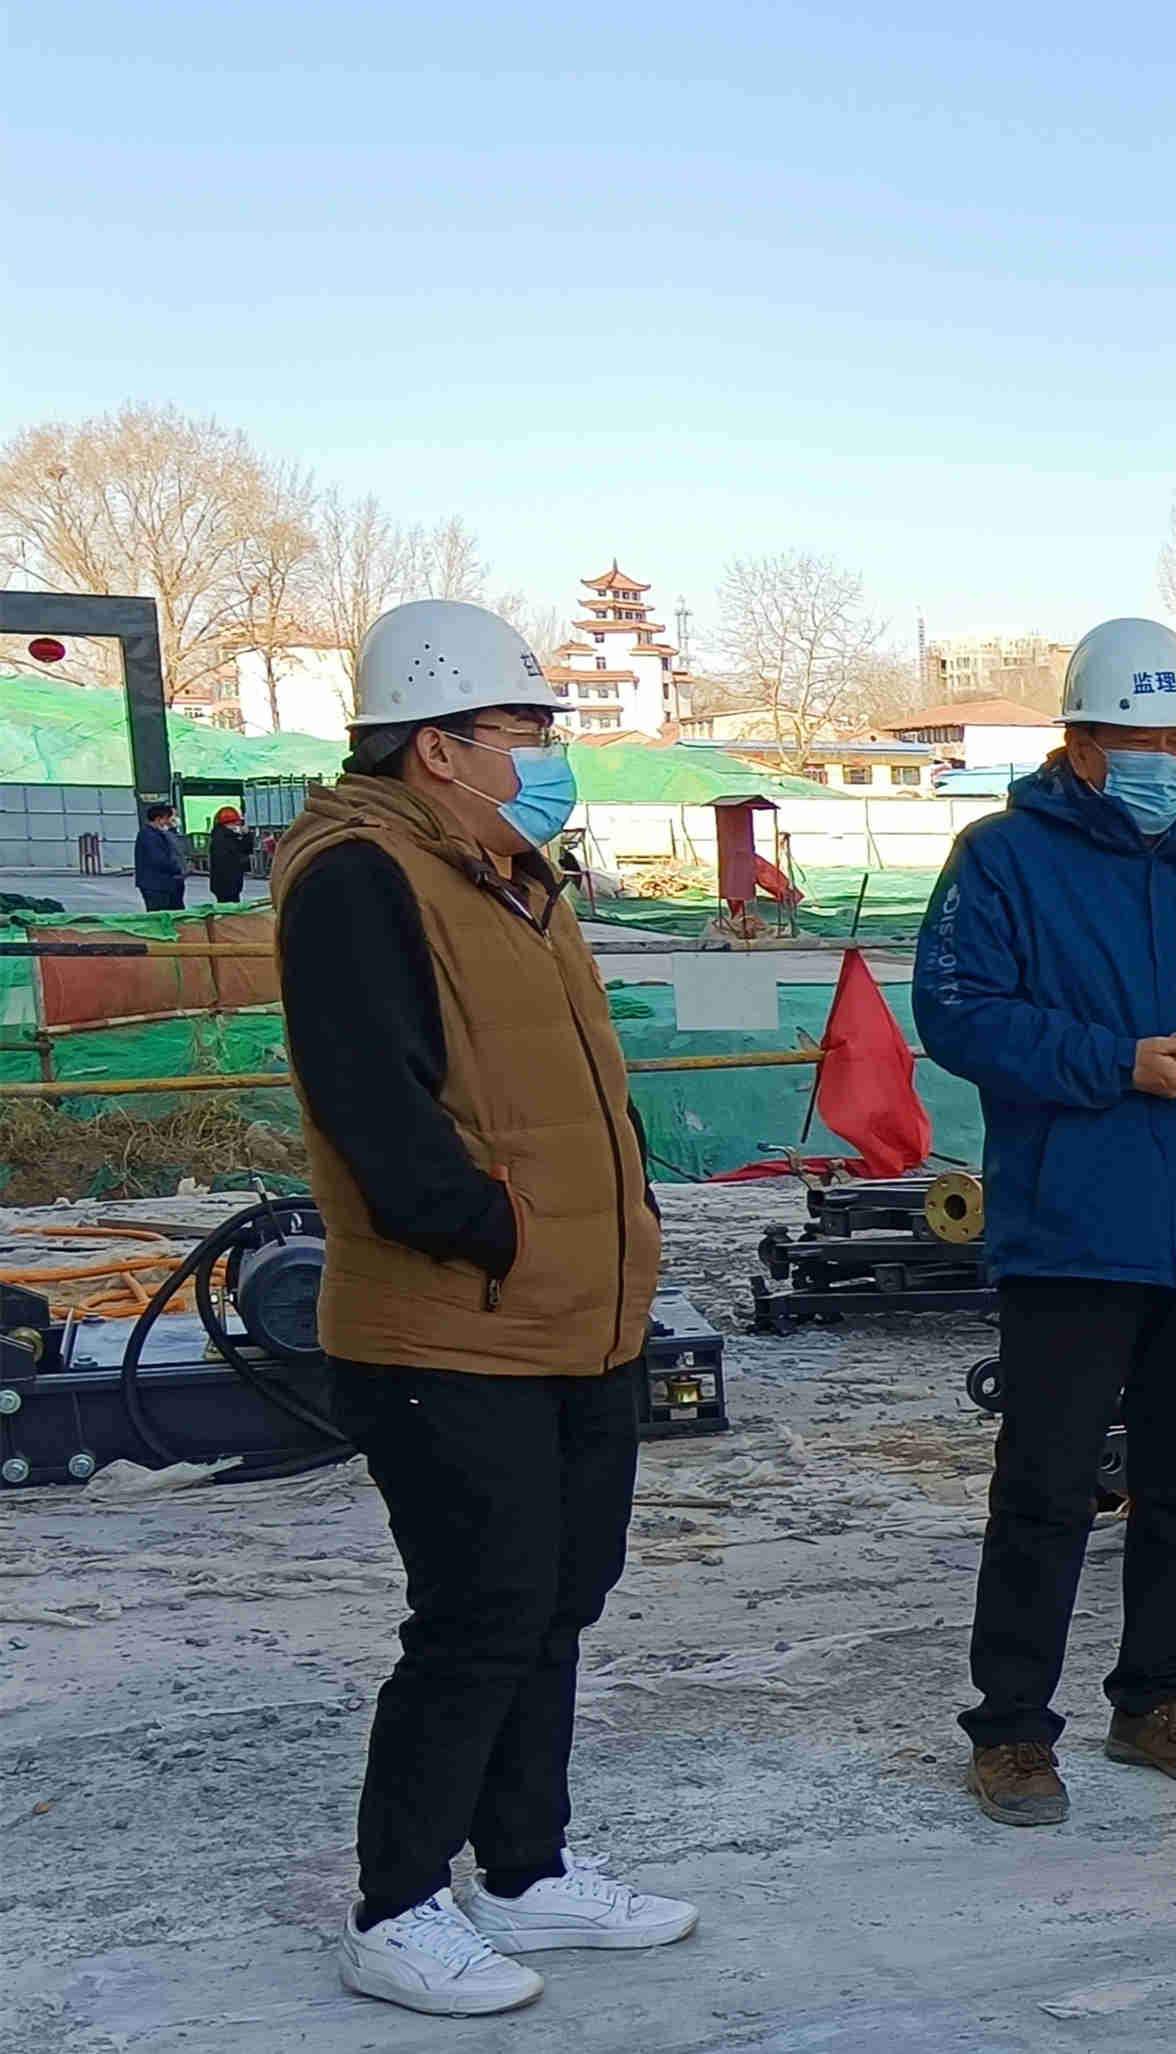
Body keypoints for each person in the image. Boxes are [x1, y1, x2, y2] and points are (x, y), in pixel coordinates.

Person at [271, 600, 692, 2017]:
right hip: (449, 1324)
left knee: (559, 1597)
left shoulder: (514, 875)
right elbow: (378, 1113)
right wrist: (498, 1229)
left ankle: (523, 1866)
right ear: (438, 745)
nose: (547, 755)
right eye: (523, 729)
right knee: (479, 1611)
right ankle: (396, 1905)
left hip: (575, 1312)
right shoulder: (358, 876)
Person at [916, 616, 1176, 1826]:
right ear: (1080, 743)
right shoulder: (1003, 860)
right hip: (1073, 1226)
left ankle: (1159, 1695)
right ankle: (1012, 1725)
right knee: (1047, 1487)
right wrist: (1117, 1060)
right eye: (1140, 738)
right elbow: (960, 1011)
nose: (1167, 759)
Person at [133, 800, 188, 911]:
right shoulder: (148, 836)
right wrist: (177, 868)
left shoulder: (159, 834)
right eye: (167, 818)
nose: (169, 821)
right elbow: (159, 860)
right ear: (158, 819)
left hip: (166, 884)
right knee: (160, 913)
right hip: (156, 886)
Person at [207, 805, 256, 904]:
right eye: (236, 824)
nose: (238, 826)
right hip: (227, 884)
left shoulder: (228, 836)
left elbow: (246, 849)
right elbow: (239, 854)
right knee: (228, 906)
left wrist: (246, 835)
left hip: (228, 883)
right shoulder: (223, 839)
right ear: (228, 824)